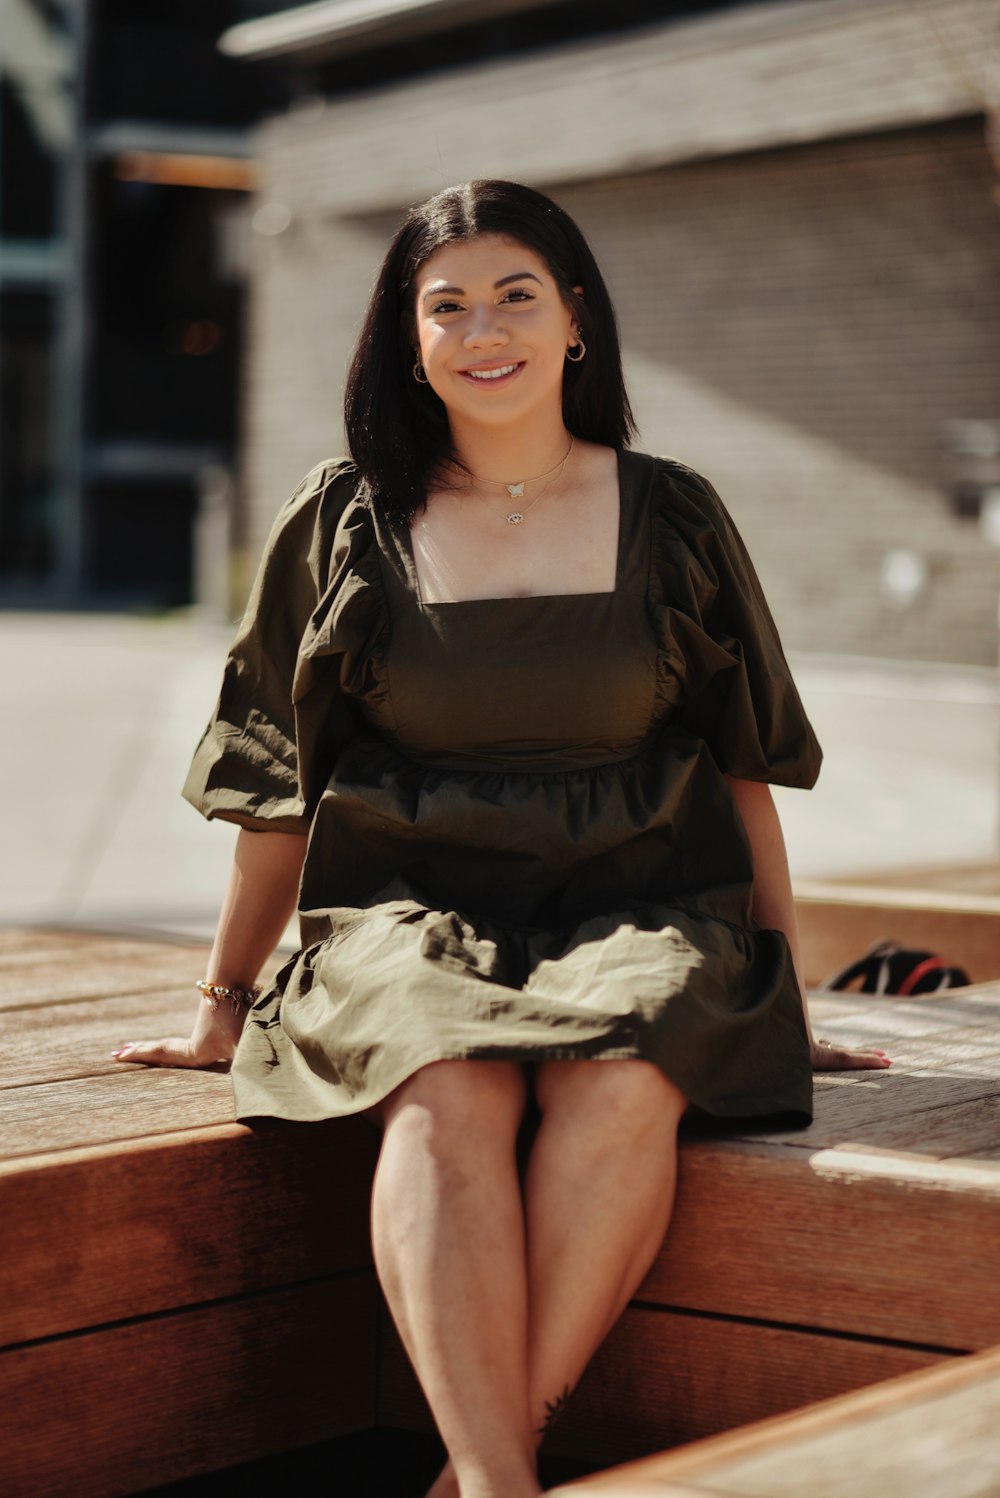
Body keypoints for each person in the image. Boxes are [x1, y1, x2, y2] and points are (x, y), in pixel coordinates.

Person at [112, 180, 890, 1498]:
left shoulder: (678, 515)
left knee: (623, 1072)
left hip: (646, 902)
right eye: (446, 304)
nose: (485, 329)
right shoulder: (344, 516)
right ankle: (502, 1479)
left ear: (577, 320)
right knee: (444, 1084)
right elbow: (278, 785)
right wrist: (219, 999)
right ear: (407, 340)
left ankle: (481, 1471)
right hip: (402, 907)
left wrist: (781, 986)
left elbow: (742, 772)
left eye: (516, 295)